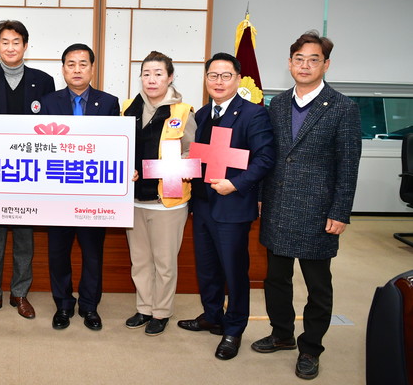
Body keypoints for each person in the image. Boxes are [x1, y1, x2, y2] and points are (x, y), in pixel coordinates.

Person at [252, 32, 361, 380]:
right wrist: (260, 196)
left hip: (318, 212)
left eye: (313, 59)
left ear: (326, 65)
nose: (305, 65)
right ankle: (282, 333)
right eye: (299, 59)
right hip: (278, 206)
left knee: (318, 286)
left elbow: (348, 165)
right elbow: (269, 156)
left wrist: (340, 211)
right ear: (289, 63)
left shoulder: (343, 107)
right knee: (276, 279)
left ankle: (311, 348)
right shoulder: (278, 104)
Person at [177, 52, 275, 361]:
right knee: (206, 268)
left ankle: (234, 329)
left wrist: (235, 183)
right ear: (205, 79)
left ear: (238, 79)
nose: (218, 81)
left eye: (225, 75)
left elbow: (265, 159)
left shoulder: (253, 114)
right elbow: (202, 156)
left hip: (232, 205)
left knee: (234, 272)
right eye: (213, 76)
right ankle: (212, 316)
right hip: (203, 204)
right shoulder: (203, 113)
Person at [0, 19, 55, 321]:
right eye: (4, 42)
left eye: (16, 42)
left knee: (24, 236)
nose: (10, 47)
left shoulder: (43, 81)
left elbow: (50, 128)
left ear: (25, 45)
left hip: (30, 173)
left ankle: (20, 293)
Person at [40, 43, 119, 331]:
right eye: (71, 64)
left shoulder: (109, 103)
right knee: (58, 253)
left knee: (92, 253)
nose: (77, 69)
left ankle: (89, 306)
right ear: (63, 69)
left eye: (83, 64)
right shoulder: (48, 103)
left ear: (92, 69)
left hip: (93, 194)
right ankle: (63, 305)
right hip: (58, 192)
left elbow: (115, 146)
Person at [122, 51, 196, 336]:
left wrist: (179, 167)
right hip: (133, 199)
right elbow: (118, 147)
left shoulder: (183, 111)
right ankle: (144, 307)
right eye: (146, 74)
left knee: (164, 262)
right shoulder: (127, 108)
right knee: (140, 260)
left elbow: (192, 153)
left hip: (169, 200)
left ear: (170, 77)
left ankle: (161, 311)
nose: (151, 80)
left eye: (158, 74)